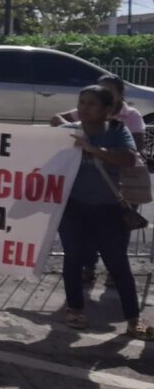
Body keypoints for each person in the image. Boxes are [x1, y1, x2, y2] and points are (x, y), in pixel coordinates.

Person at [53, 85, 153, 339]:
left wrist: (93, 149)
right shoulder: (68, 131)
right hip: (73, 207)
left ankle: (133, 319)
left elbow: (128, 159)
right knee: (73, 258)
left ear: (107, 110)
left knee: (117, 263)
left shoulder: (118, 131)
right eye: (81, 102)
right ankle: (75, 309)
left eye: (91, 104)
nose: (84, 108)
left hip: (108, 209)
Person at [50, 74, 146, 285]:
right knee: (87, 231)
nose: (101, 93)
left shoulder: (130, 117)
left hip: (123, 183)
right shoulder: (88, 109)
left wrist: (100, 148)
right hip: (87, 186)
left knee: (120, 230)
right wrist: (75, 130)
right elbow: (56, 119)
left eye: (108, 91)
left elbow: (135, 151)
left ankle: (115, 271)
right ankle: (89, 266)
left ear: (119, 95)